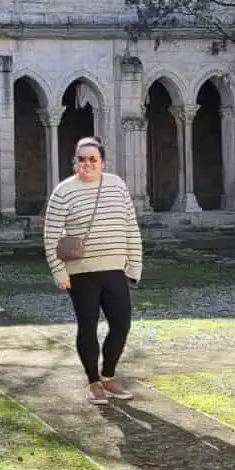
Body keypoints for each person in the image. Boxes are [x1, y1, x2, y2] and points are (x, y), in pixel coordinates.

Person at [43, 136, 143, 404]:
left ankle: (108, 376)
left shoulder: (117, 185)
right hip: (81, 273)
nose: (87, 164)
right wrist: (59, 272)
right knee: (87, 327)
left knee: (121, 325)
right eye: (82, 159)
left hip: (114, 270)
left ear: (102, 161)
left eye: (93, 159)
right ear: (74, 161)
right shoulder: (63, 192)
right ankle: (93, 381)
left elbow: (130, 227)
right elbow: (51, 236)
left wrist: (135, 265)